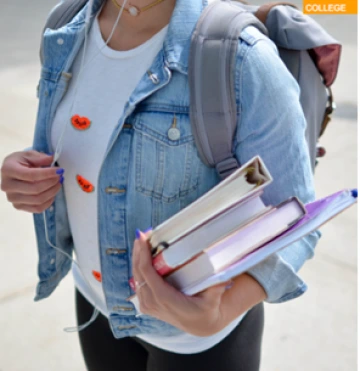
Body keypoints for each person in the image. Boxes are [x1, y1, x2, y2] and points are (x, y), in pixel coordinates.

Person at [0, 0, 321, 370]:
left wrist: (218, 314)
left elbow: (295, 219)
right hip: (96, 303)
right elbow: (88, 142)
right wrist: (26, 172)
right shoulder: (65, 27)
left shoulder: (243, 58)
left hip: (199, 342)